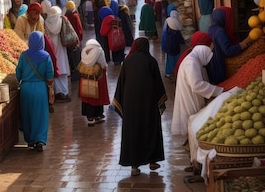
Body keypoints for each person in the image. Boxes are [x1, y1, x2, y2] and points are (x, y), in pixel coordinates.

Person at [113, 37, 167, 176]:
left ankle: (134, 165)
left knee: (133, 132)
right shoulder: (151, 61)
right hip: (149, 104)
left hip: (131, 105)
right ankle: (153, 160)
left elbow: (121, 84)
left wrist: (121, 101)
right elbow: (158, 84)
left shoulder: (127, 61)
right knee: (151, 129)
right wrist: (160, 101)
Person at [171, 45, 223, 138]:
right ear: (202, 54)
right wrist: (218, 91)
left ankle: (190, 141)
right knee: (192, 119)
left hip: (190, 93)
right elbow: (197, 85)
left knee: (193, 121)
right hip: (190, 95)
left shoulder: (194, 60)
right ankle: (190, 142)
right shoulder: (191, 63)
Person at [15, 31, 54, 152]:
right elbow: (50, 76)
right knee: (40, 115)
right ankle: (40, 140)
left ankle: (30, 140)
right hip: (41, 89)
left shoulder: (24, 55)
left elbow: (18, 73)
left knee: (28, 115)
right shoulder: (46, 56)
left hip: (26, 89)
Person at [207, 7, 252, 84]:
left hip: (212, 65)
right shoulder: (220, 32)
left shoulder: (211, 28)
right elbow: (228, 51)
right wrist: (245, 43)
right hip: (218, 66)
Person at [78, 39, 109, 126]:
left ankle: (90, 117)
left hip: (86, 76)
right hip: (97, 76)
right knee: (97, 96)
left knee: (88, 96)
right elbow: (103, 64)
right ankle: (98, 114)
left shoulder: (84, 50)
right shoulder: (99, 51)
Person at [44, 6, 71, 101]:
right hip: (60, 48)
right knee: (62, 69)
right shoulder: (61, 21)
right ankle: (63, 92)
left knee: (53, 70)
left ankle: (55, 93)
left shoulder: (46, 22)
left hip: (51, 49)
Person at [161, 8, 185, 79]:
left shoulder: (167, 21)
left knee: (169, 60)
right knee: (176, 58)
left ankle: (168, 73)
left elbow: (164, 34)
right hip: (175, 46)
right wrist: (182, 41)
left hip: (168, 45)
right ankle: (176, 71)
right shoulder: (176, 23)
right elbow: (179, 37)